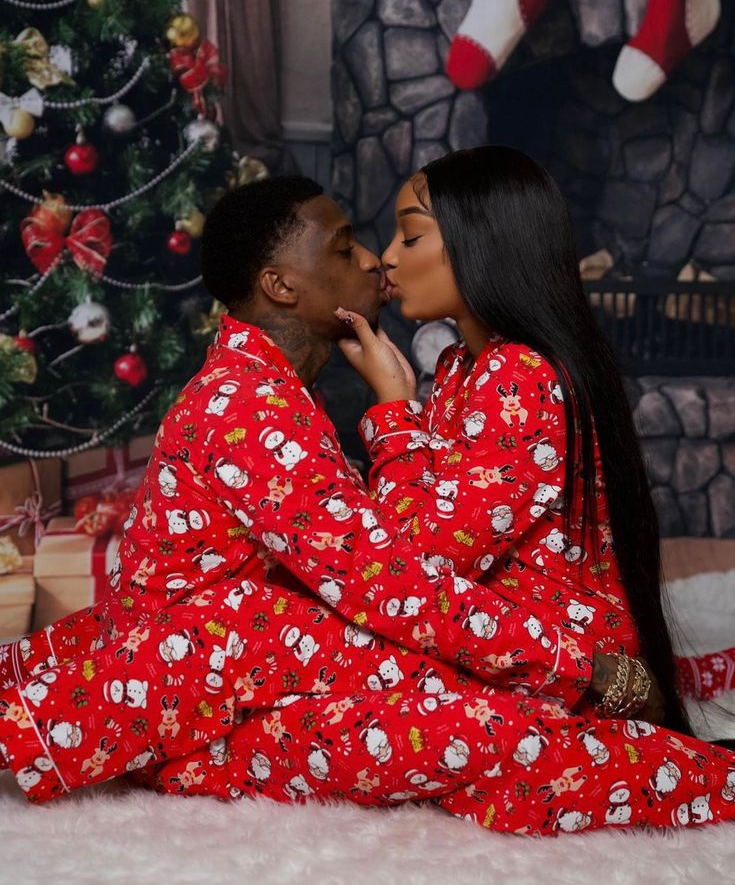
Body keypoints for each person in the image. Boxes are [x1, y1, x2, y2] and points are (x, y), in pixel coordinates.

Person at [0, 174, 731, 835]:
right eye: (347, 247)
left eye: (399, 238)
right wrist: (586, 668)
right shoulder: (249, 407)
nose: (374, 260)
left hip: (247, 696)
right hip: (206, 707)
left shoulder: (279, 390)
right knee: (483, 729)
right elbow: (397, 580)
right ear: (282, 286)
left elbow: (393, 562)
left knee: (475, 723)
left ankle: (670, 762)